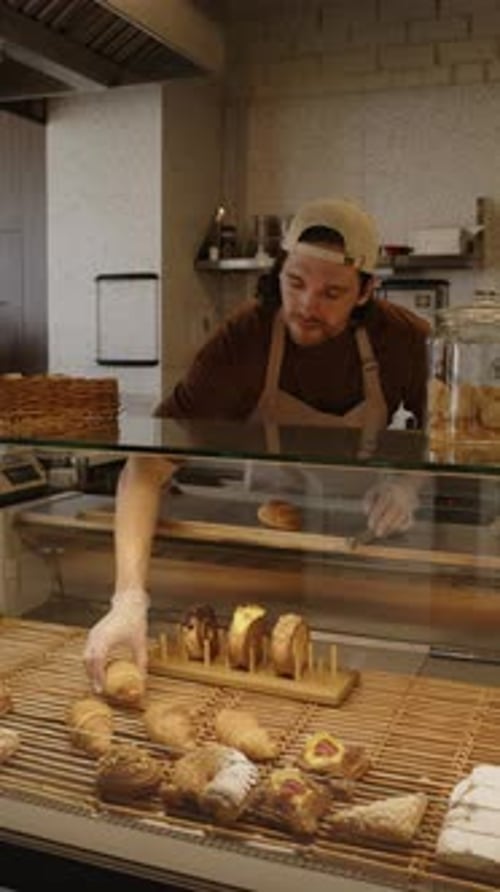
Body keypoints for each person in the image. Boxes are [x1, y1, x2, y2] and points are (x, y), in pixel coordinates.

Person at [84, 197, 429, 692]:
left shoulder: (403, 339)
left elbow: (448, 435)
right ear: (278, 272)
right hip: (260, 553)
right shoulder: (244, 338)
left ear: (366, 290)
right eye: (295, 283)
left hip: (362, 551)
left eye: (332, 292)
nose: (308, 306)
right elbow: (147, 466)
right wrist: (128, 600)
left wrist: (406, 485)